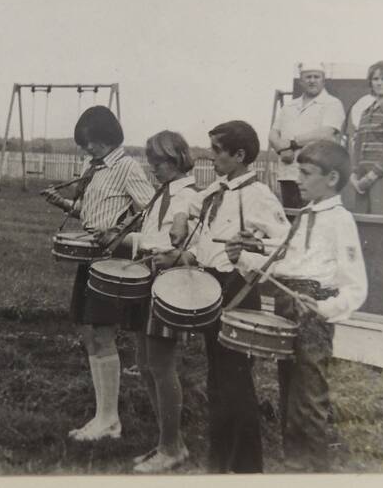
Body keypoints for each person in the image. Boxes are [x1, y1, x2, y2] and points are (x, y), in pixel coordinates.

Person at [229, 140, 367, 472]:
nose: (298, 180)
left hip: (311, 310)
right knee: (289, 394)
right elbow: (287, 265)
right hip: (286, 304)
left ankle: (315, 469)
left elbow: (356, 286)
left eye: (305, 173)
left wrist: (326, 308)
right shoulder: (305, 215)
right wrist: (246, 257)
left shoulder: (340, 219)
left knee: (309, 399)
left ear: (332, 178)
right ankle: (295, 466)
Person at [174, 120, 290, 473]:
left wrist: (247, 259)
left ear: (240, 155)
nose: (211, 157)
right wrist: (180, 216)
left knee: (235, 381)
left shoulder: (259, 196)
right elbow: (191, 202)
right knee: (217, 379)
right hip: (211, 286)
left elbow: (282, 246)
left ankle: (247, 468)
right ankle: (219, 461)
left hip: (238, 289)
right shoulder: (219, 189)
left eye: (217, 151)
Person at [41, 106, 154, 442]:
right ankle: (104, 415)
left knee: (102, 335)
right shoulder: (93, 167)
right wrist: (62, 204)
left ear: (107, 137)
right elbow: (92, 214)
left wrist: (119, 233)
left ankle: (109, 420)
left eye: (90, 142)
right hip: (89, 258)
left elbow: (151, 213)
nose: (86, 149)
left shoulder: (126, 167)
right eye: (84, 143)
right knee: (89, 333)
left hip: (111, 263)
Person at [120, 131, 200, 472]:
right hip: (147, 277)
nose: (153, 169)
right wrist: (125, 238)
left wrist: (179, 246)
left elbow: (188, 235)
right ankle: (167, 442)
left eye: (159, 163)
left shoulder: (190, 195)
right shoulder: (161, 194)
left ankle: (171, 446)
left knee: (161, 366)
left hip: (169, 283)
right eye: (151, 163)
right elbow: (152, 236)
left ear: (178, 158)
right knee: (145, 363)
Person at [269, 62, 345, 210]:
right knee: (291, 217)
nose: (312, 80)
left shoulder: (332, 104)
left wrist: (290, 144)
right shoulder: (289, 106)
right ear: (301, 81)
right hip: (288, 173)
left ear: (323, 80)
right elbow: (273, 133)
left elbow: (326, 133)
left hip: (315, 174)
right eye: (308, 77)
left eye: (316, 77)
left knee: (314, 217)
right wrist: (280, 149)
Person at [344, 60, 383, 215]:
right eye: (375, 79)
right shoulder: (366, 112)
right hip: (362, 180)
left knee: (382, 226)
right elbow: (358, 145)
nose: (379, 83)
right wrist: (354, 173)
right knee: (364, 226)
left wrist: (371, 177)